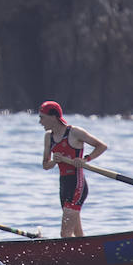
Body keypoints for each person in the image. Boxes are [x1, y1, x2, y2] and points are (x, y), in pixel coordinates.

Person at [38, 100, 108, 238]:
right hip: (63, 186)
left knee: (65, 234)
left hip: (77, 185)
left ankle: (70, 257)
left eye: (42, 118)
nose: (40, 122)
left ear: (53, 117)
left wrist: (85, 159)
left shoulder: (75, 132)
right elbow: (46, 165)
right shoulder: (48, 137)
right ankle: (87, 256)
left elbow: (101, 146)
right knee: (77, 234)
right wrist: (54, 161)